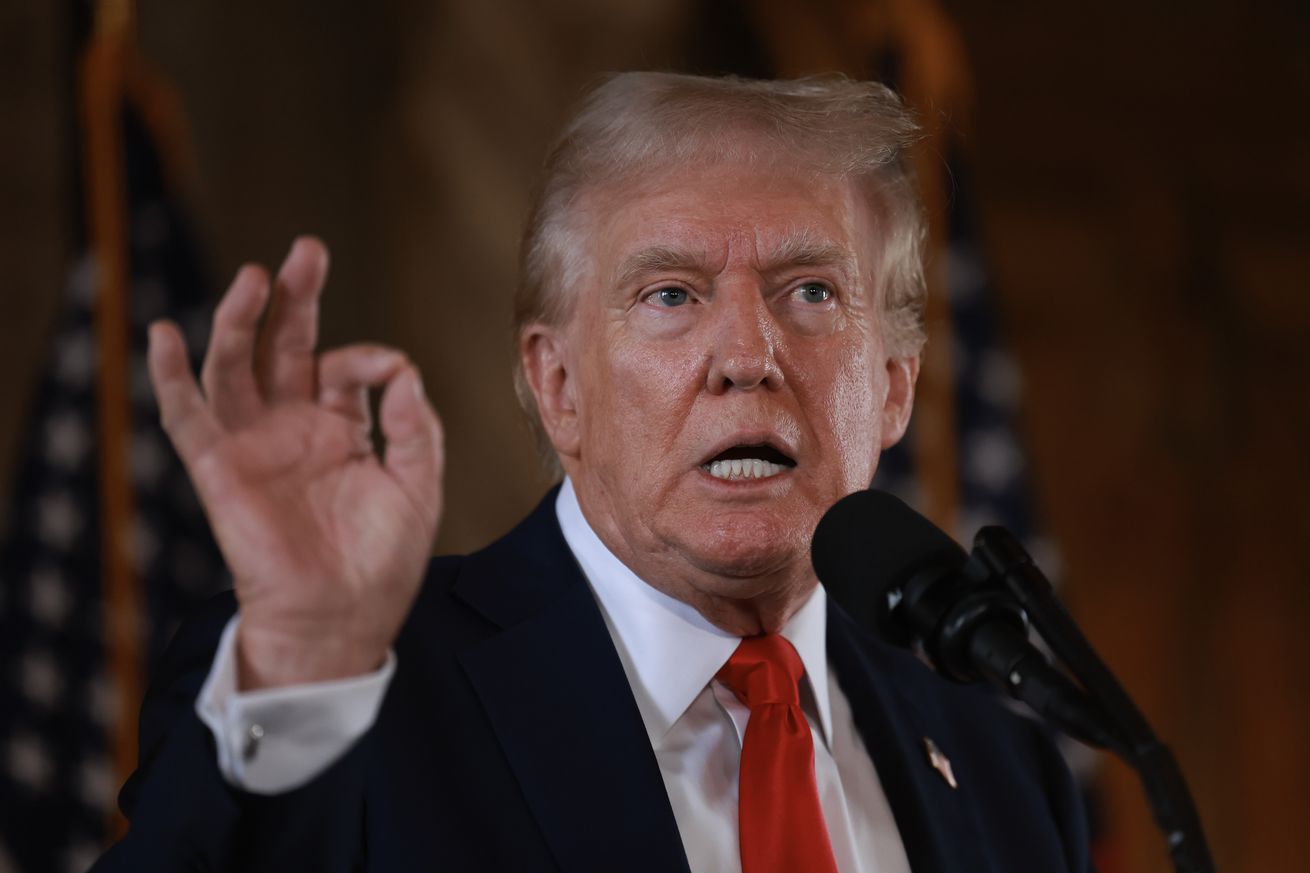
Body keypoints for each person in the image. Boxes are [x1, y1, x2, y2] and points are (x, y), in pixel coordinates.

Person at [93, 73, 1092, 872]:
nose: (746, 354)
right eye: (669, 294)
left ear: (891, 386)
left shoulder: (1007, 778)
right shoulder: (346, 694)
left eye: (810, 291)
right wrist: (299, 673)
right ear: (556, 383)